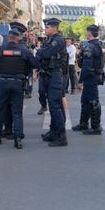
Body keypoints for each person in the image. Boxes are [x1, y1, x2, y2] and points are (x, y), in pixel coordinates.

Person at [0, 23, 38, 148]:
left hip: (3, 82)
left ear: (8, 37)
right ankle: (18, 137)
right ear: (18, 38)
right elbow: (34, 63)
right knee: (17, 111)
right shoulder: (24, 50)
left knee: (0, 109)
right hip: (17, 82)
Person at [37, 18, 68, 147]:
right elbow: (43, 54)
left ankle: (61, 136)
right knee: (52, 104)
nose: (45, 29)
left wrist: (40, 52)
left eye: (47, 27)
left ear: (54, 28)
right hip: (48, 74)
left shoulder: (58, 40)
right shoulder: (49, 39)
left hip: (55, 74)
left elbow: (46, 53)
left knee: (55, 105)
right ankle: (53, 131)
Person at [72, 25, 104, 135]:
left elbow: (86, 65)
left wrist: (80, 80)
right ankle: (83, 123)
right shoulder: (97, 45)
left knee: (93, 101)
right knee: (85, 101)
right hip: (93, 76)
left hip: (90, 77)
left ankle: (96, 127)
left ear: (89, 33)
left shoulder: (91, 46)